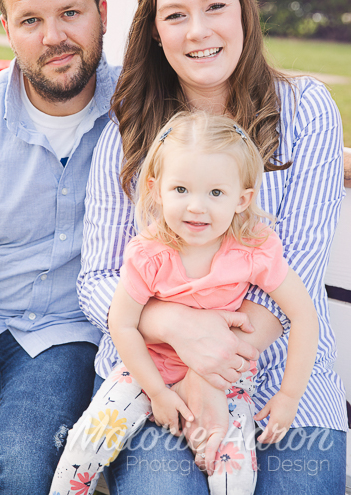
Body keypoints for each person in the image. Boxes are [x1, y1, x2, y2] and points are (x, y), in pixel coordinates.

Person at [79, 0, 347, 493]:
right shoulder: (126, 136)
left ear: (244, 10)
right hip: (153, 376)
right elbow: (97, 279)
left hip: (284, 374)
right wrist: (176, 327)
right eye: (176, 15)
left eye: (215, 6)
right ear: (156, 32)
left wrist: (214, 370)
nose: (198, 30)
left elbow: (295, 264)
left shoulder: (307, 111)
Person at [51, 112, 319, 495]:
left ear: (242, 199)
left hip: (223, 379)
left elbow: (304, 315)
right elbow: (122, 324)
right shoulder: (150, 254)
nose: (196, 207)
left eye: (215, 193)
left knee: (236, 479)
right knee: (83, 450)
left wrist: (289, 395)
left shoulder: (252, 249)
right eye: (181, 190)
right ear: (156, 188)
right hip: (147, 371)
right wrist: (157, 393)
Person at [0, 0, 121, 495]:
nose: (54, 38)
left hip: (64, 334)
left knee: (19, 474)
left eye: (70, 12)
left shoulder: (142, 108)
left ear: (101, 14)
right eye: (30, 21)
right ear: (7, 30)